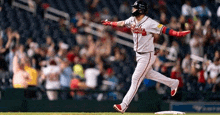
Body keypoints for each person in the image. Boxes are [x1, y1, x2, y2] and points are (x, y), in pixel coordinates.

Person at [102, 0, 190, 113]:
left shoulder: (150, 22)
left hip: (147, 55)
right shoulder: (132, 19)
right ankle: (173, 83)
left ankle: (123, 105)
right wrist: (110, 23)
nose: (133, 9)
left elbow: (163, 29)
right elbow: (122, 23)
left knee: (135, 79)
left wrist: (177, 33)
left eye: (135, 8)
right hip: (139, 55)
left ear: (141, 10)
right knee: (149, 74)